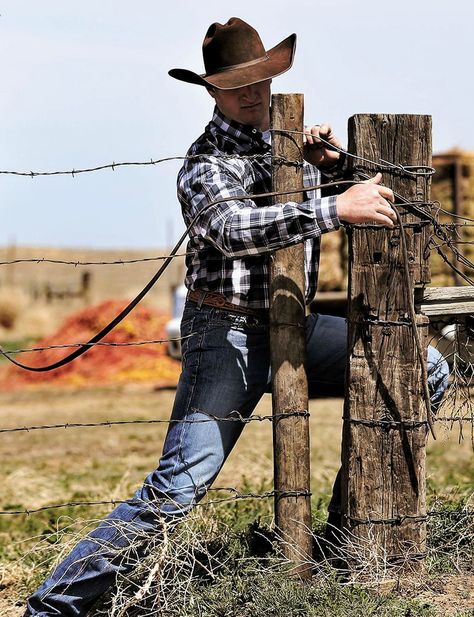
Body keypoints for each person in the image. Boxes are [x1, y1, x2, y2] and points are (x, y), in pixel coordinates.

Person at [24, 17, 448, 617]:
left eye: (261, 81)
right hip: (228, 334)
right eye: (236, 84)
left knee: (422, 371)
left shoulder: (287, 145)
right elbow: (232, 228)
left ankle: (343, 537)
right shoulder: (204, 163)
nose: (252, 93)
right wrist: (331, 205)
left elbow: (337, 196)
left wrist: (326, 167)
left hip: (292, 322)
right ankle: (53, 607)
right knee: (178, 488)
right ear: (211, 90)